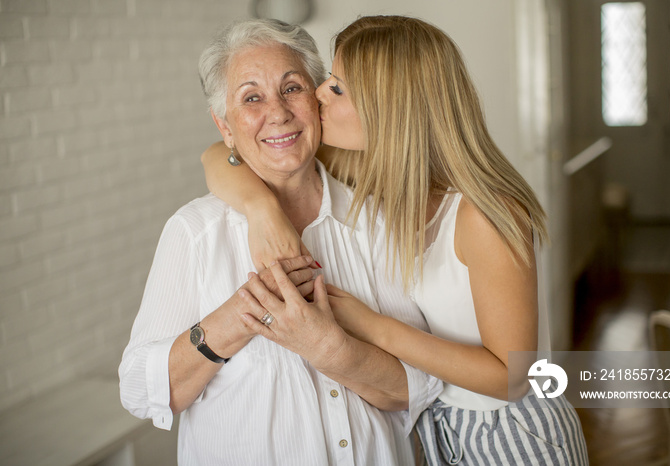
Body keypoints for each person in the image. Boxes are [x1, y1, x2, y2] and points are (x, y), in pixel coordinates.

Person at [201, 15, 589, 465]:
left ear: (390, 106)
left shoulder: (481, 214)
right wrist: (262, 210)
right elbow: (221, 154)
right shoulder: (382, 180)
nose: (316, 94)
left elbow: (512, 377)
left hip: (513, 435)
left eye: (337, 88)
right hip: (443, 429)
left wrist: (369, 325)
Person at [119, 18, 441, 466]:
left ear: (317, 98)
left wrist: (328, 349)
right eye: (251, 97)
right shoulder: (194, 232)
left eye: (291, 88)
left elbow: (422, 385)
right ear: (224, 126)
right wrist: (236, 319)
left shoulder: (380, 221)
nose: (278, 112)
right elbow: (139, 389)